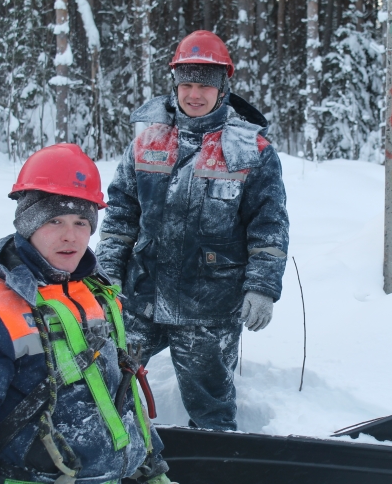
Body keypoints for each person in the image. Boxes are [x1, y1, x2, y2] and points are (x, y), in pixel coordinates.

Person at [0, 144, 173, 484]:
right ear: (28, 222)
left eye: (81, 222)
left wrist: (150, 466)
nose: (70, 236)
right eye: (54, 220)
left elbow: (122, 398)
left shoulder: (95, 293)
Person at [95, 30, 289, 431]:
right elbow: (120, 216)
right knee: (105, 387)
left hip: (210, 306)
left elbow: (269, 226)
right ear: (175, 84)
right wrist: (109, 272)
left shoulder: (251, 151)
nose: (194, 94)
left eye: (205, 85)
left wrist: (262, 286)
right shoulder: (147, 141)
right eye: (187, 84)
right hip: (140, 297)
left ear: (222, 88)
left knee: (211, 411)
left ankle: (214, 465)